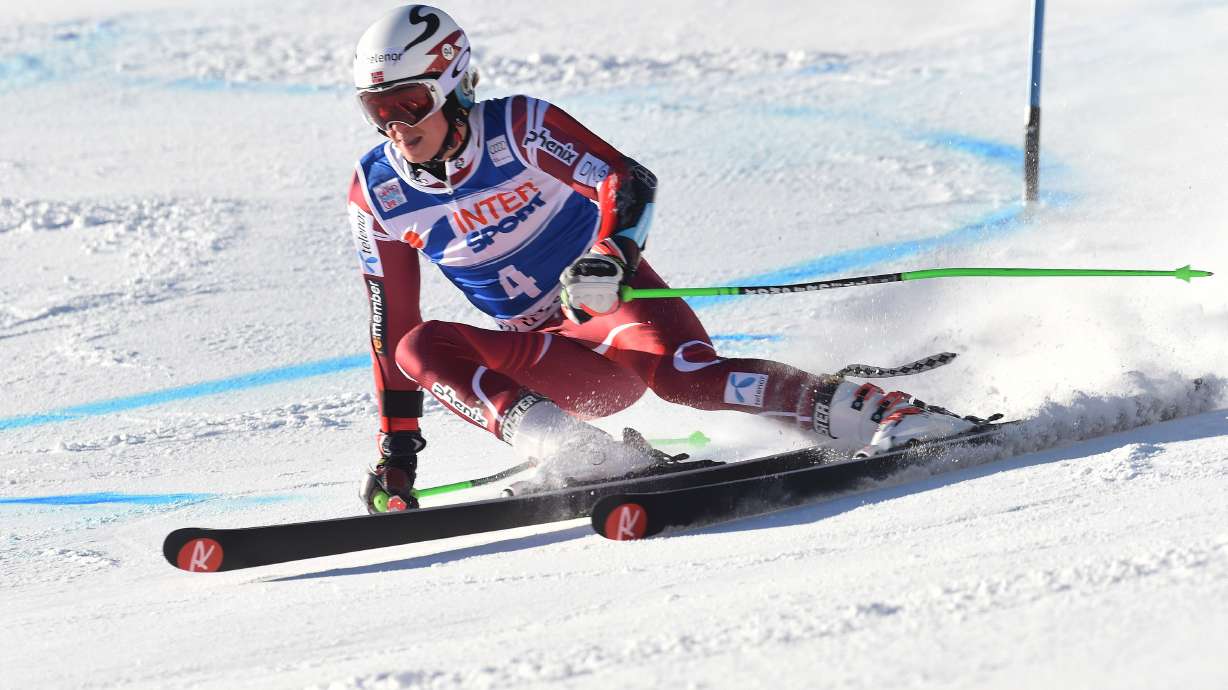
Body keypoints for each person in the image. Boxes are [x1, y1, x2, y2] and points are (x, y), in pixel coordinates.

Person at [348, 5, 976, 514]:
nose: (398, 127)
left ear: (454, 85)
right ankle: (571, 450)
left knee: (688, 379)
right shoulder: (376, 193)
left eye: (411, 103)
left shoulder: (516, 127)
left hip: (608, 305)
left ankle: (888, 413)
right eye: (379, 110)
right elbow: (390, 325)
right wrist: (398, 450)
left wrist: (610, 255)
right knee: (417, 345)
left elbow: (627, 179)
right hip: (550, 359)